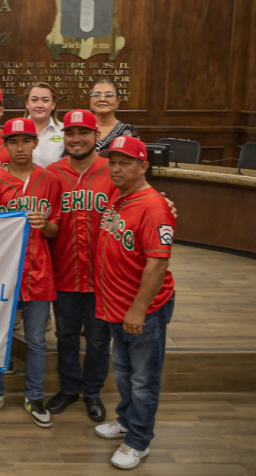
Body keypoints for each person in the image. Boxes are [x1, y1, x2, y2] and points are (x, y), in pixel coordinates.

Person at [94, 136, 176, 470]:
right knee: (125, 373)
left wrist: (138, 310)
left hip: (143, 309)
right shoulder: (119, 195)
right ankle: (127, 420)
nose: (116, 168)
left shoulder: (154, 207)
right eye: (112, 162)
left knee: (143, 380)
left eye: (124, 162)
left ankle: (138, 441)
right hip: (116, 303)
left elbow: (157, 264)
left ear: (144, 166)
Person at [0, 118, 61, 428]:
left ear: (36, 143)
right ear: (5, 145)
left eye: (25, 140)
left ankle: (34, 396)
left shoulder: (49, 180)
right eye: (13, 141)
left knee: (36, 340)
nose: (20, 147)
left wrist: (44, 224)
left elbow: (55, 229)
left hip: (39, 271)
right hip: (4, 273)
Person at [45, 109, 113, 423]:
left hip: (103, 274)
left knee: (99, 338)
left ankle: (93, 392)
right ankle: (69, 387)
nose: (76, 139)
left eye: (83, 133)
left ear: (96, 135)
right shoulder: (53, 173)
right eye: (70, 133)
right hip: (65, 270)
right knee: (67, 334)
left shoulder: (112, 172)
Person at [90, 79, 139, 151]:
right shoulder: (80, 128)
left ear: (118, 101)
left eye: (109, 95)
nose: (102, 99)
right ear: (90, 100)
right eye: (96, 95)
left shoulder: (128, 132)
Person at [23, 82, 63, 167]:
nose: (39, 105)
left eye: (45, 100)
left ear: (53, 105)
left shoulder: (64, 131)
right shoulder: (15, 131)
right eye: (34, 100)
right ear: (27, 104)